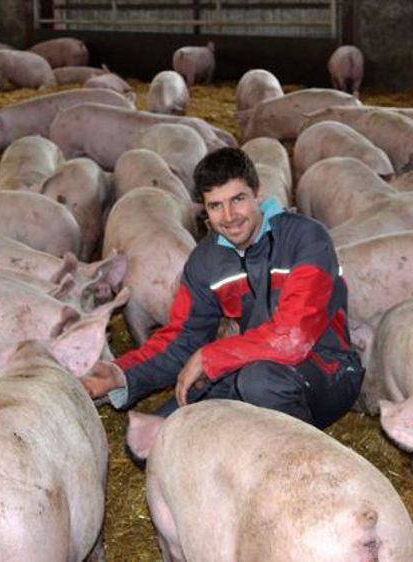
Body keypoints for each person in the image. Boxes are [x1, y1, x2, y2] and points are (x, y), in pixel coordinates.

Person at [82, 147, 363, 429]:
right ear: (205, 209)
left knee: (261, 383)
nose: (229, 216)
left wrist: (210, 356)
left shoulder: (306, 239)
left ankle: (298, 463)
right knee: (156, 439)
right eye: (216, 206)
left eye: (237, 199)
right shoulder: (206, 261)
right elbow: (182, 338)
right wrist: (121, 374)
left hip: (327, 370)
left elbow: (292, 338)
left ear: (258, 194)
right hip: (246, 364)